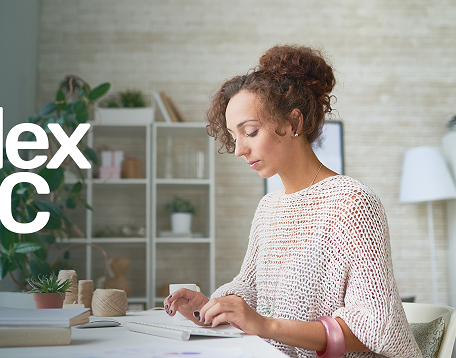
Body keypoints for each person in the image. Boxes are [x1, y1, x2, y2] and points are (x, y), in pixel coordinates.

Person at [163, 45, 421, 358]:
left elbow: (376, 329)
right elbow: (251, 287)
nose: (238, 150)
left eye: (251, 132)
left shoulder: (353, 203)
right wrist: (210, 308)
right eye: (234, 136)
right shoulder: (269, 208)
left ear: (293, 122)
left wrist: (265, 325)